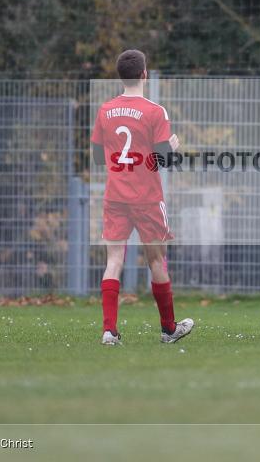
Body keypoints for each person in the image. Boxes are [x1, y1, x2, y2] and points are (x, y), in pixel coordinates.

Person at [90, 49, 194, 346]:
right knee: (157, 261)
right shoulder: (154, 111)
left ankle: (109, 331)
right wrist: (170, 148)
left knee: (113, 261)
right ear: (144, 74)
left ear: (119, 75)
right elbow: (162, 159)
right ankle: (169, 329)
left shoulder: (105, 110)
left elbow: (98, 157)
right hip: (147, 197)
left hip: (115, 196)